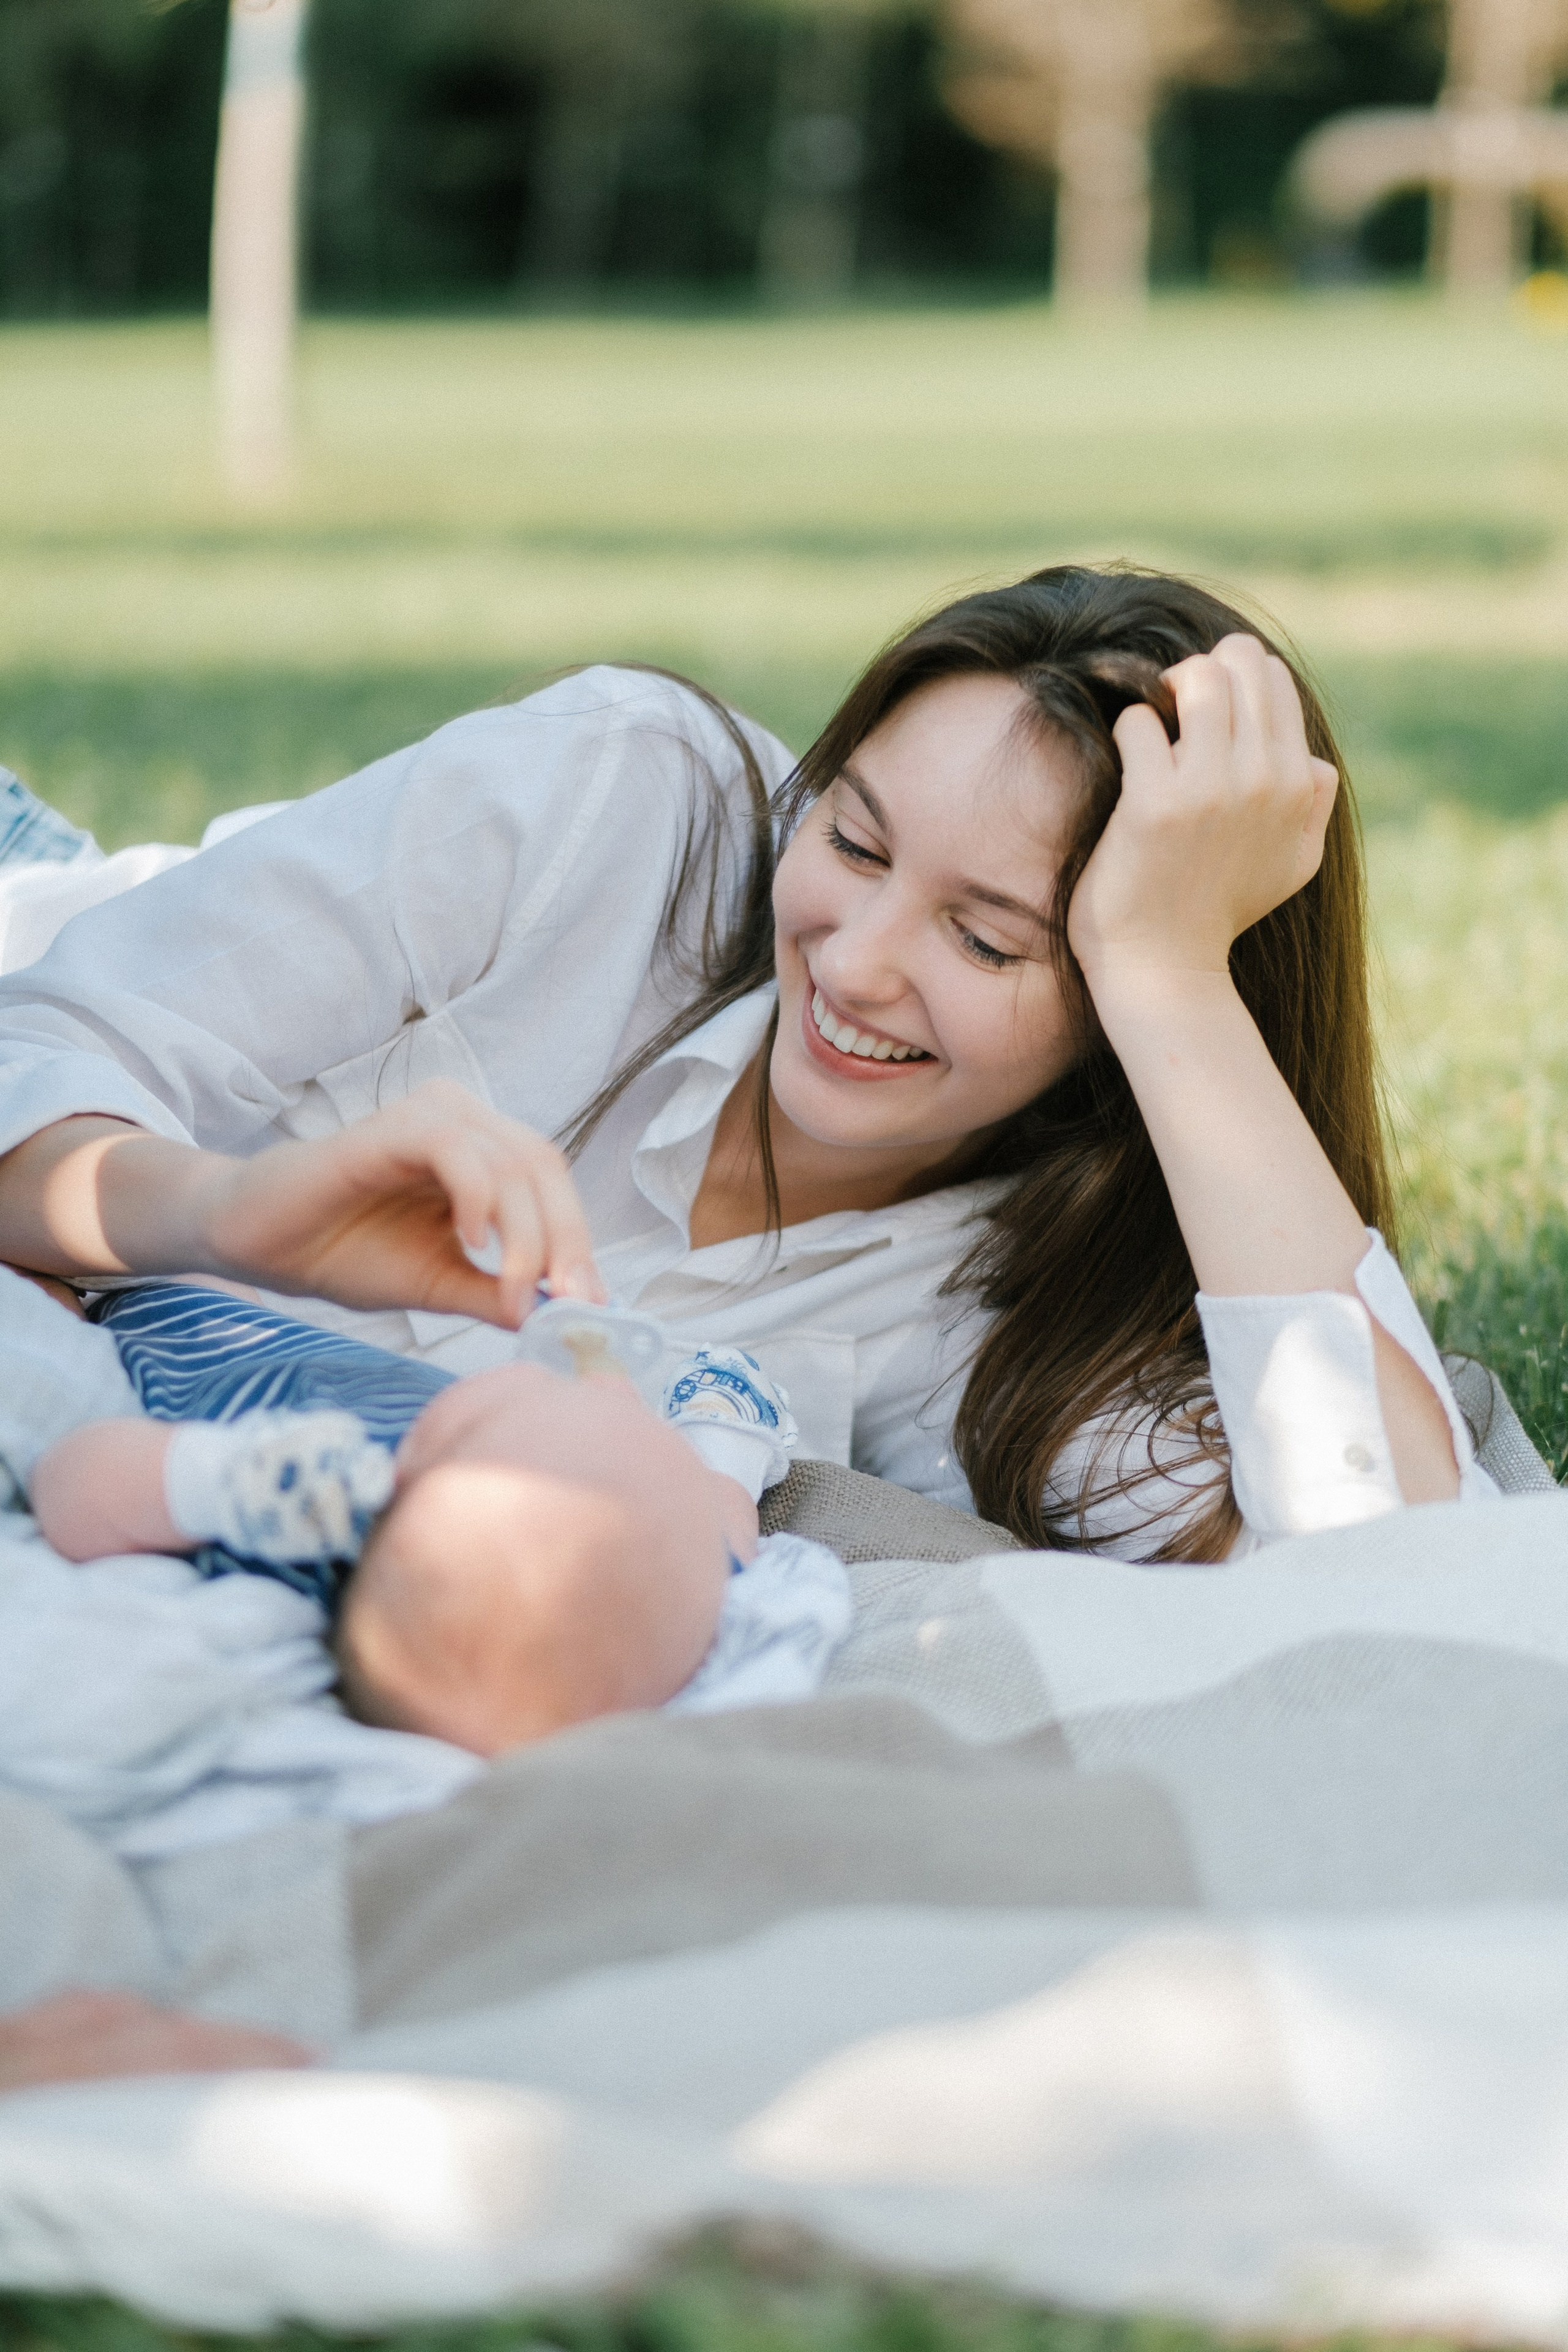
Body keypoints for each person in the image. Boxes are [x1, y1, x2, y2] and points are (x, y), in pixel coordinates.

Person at [0, 566, 1497, 1568]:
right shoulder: (616, 802)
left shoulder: (1007, 1328)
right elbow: (49, 1043)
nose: (849, 965)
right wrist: (227, 1215)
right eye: (850, 839)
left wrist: (1171, 978)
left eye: (988, 943)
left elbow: (1392, 1566)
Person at [22, 1280, 833, 1758]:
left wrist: (218, 1483)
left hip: (180, 1331)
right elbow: (717, 1534)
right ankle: (710, 1445)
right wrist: (716, 1459)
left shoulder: (309, 1519)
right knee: (699, 1503)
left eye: (510, 1405)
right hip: (302, 1320)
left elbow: (72, 1488)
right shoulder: (693, 1588)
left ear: (413, 1470)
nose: (567, 1384)